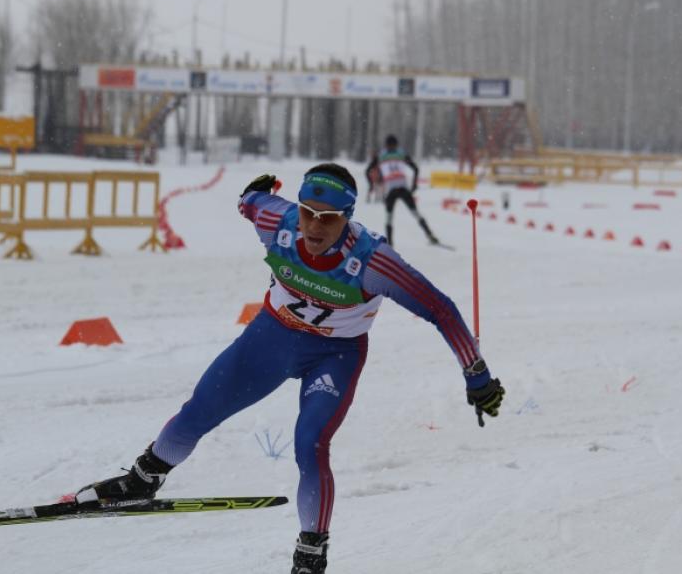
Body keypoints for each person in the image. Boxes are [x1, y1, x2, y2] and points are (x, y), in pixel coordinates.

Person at [75, 164, 504, 574]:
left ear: (348, 218)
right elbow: (251, 201)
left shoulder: (374, 261)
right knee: (198, 410)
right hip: (270, 340)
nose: (314, 227)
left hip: (333, 357)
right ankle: (143, 479)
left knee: (310, 445)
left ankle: (310, 555)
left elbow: (441, 310)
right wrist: (253, 192)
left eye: (328, 219)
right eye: (308, 214)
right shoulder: (276, 221)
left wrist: (477, 376)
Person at [365, 134, 439, 247]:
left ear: (386, 145)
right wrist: (414, 184)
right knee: (415, 213)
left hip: (391, 191)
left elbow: (368, 171)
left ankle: (390, 245)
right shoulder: (401, 154)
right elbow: (416, 168)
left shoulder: (380, 156)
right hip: (403, 188)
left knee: (389, 217)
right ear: (396, 145)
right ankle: (430, 235)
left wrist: (371, 185)